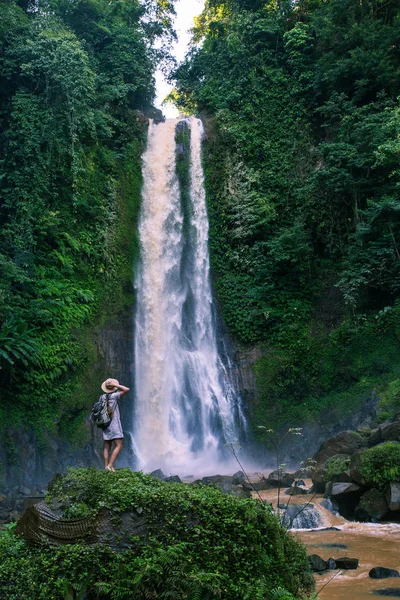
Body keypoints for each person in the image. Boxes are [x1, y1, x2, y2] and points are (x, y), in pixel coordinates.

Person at [100, 378, 130, 472]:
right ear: (113, 388)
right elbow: (126, 389)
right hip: (114, 424)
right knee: (119, 445)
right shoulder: (115, 396)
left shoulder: (102, 397)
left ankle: (106, 466)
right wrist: (116, 385)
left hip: (105, 423)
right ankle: (110, 465)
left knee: (106, 445)